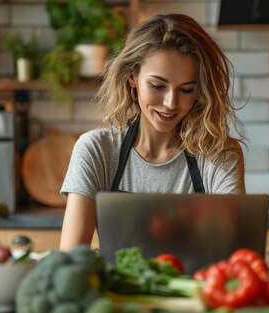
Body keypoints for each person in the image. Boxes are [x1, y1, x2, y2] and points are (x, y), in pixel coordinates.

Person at [59, 13, 245, 250]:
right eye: (158, 86)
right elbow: (71, 258)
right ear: (132, 78)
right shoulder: (96, 150)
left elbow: (235, 255)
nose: (171, 103)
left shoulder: (219, 155)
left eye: (187, 90)